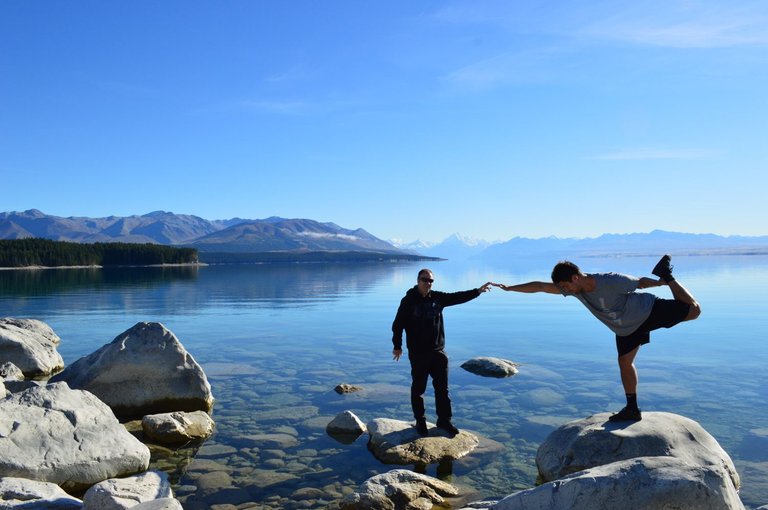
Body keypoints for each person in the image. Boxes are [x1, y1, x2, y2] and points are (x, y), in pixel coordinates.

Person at [490, 255, 701, 422]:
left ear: (575, 278)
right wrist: (510, 288)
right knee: (624, 362)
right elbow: (541, 286)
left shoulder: (611, 280)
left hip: (647, 311)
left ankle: (668, 275)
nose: (565, 291)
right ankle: (632, 409)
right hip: (626, 328)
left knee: (694, 311)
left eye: (565, 286)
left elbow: (640, 283)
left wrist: (661, 282)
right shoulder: (575, 290)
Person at [392, 268, 492, 436]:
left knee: (442, 389)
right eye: (425, 280)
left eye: (431, 281)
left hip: (438, 352)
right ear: (418, 280)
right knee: (418, 389)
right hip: (418, 353)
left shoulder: (438, 298)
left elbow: (457, 297)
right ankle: (420, 421)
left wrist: (477, 291)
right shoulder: (408, 301)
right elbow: (398, 325)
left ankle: (444, 421)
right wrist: (397, 346)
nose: (428, 283)